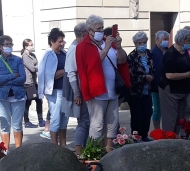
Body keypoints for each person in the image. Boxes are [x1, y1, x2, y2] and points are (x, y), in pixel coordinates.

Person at [76, 14, 130, 152]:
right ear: (89, 30)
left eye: (102, 28)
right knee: (97, 124)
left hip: (113, 90)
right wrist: (106, 48)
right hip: (97, 91)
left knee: (112, 123)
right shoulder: (83, 46)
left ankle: (109, 151)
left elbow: (122, 61)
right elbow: (92, 65)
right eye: (98, 29)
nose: (101, 31)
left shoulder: (108, 42)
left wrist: (118, 47)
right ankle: (93, 152)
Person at [0, 35, 26, 150]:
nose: (9, 46)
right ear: (0, 46)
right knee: (5, 125)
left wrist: (5, 80)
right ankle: (5, 152)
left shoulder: (18, 60)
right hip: (2, 97)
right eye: (7, 44)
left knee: (17, 125)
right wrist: (13, 76)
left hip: (18, 96)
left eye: (11, 44)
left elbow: (22, 78)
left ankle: (18, 151)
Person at [158, 27, 190, 134]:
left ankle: (176, 140)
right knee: (170, 120)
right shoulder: (170, 54)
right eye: (188, 41)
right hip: (170, 91)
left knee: (180, 120)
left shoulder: (184, 52)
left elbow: (184, 65)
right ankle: (168, 141)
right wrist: (187, 74)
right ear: (181, 40)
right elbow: (169, 75)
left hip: (182, 91)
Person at [62, 21, 90, 155]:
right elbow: (72, 73)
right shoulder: (74, 48)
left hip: (81, 89)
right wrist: (77, 93)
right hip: (78, 90)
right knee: (84, 121)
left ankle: (82, 149)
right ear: (84, 34)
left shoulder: (78, 46)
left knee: (85, 121)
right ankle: (79, 151)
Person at [37, 28, 68, 146]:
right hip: (55, 91)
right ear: (52, 41)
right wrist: (65, 71)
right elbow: (48, 76)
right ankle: (54, 146)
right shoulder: (48, 55)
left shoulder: (64, 54)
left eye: (62, 41)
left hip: (65, 90)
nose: (62, 44)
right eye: (59, 41)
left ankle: (63, 145)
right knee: (56, 118)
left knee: (64, 118)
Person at [127, 31, 154, 141]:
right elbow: (131, 75)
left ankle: (144, 135)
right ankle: (136, 137)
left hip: (148, 90)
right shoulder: (131, 56)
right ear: (135, 44)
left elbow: (153, 68)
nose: (142, 45)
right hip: (136, 91)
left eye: (144, 42)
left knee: (147, 113)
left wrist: (151, 77)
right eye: (139, 43)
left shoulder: (149, 54)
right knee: (137, 115)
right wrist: (144, 77)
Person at [21, 39, 44, 128]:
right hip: (28, 82)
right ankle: (27, 122)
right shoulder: (24, 56)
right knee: (28, 102)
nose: (32, 46)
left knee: (39, 100)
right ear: (26, 46)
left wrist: (37, 66)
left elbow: (37, 65)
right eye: (30, 45)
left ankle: (41, 120)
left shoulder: (33, 55)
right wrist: (37, 67)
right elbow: (33, 68)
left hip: (34, 81)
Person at [150, 30, 170, 129]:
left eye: (167, 39)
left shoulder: (168, 51)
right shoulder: (153, 52)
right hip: (156, 85)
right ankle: (157, 130)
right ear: (157, 39)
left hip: (167, 84)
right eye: (164, 39)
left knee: (166, 109)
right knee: (157, 109)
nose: (166, 41)